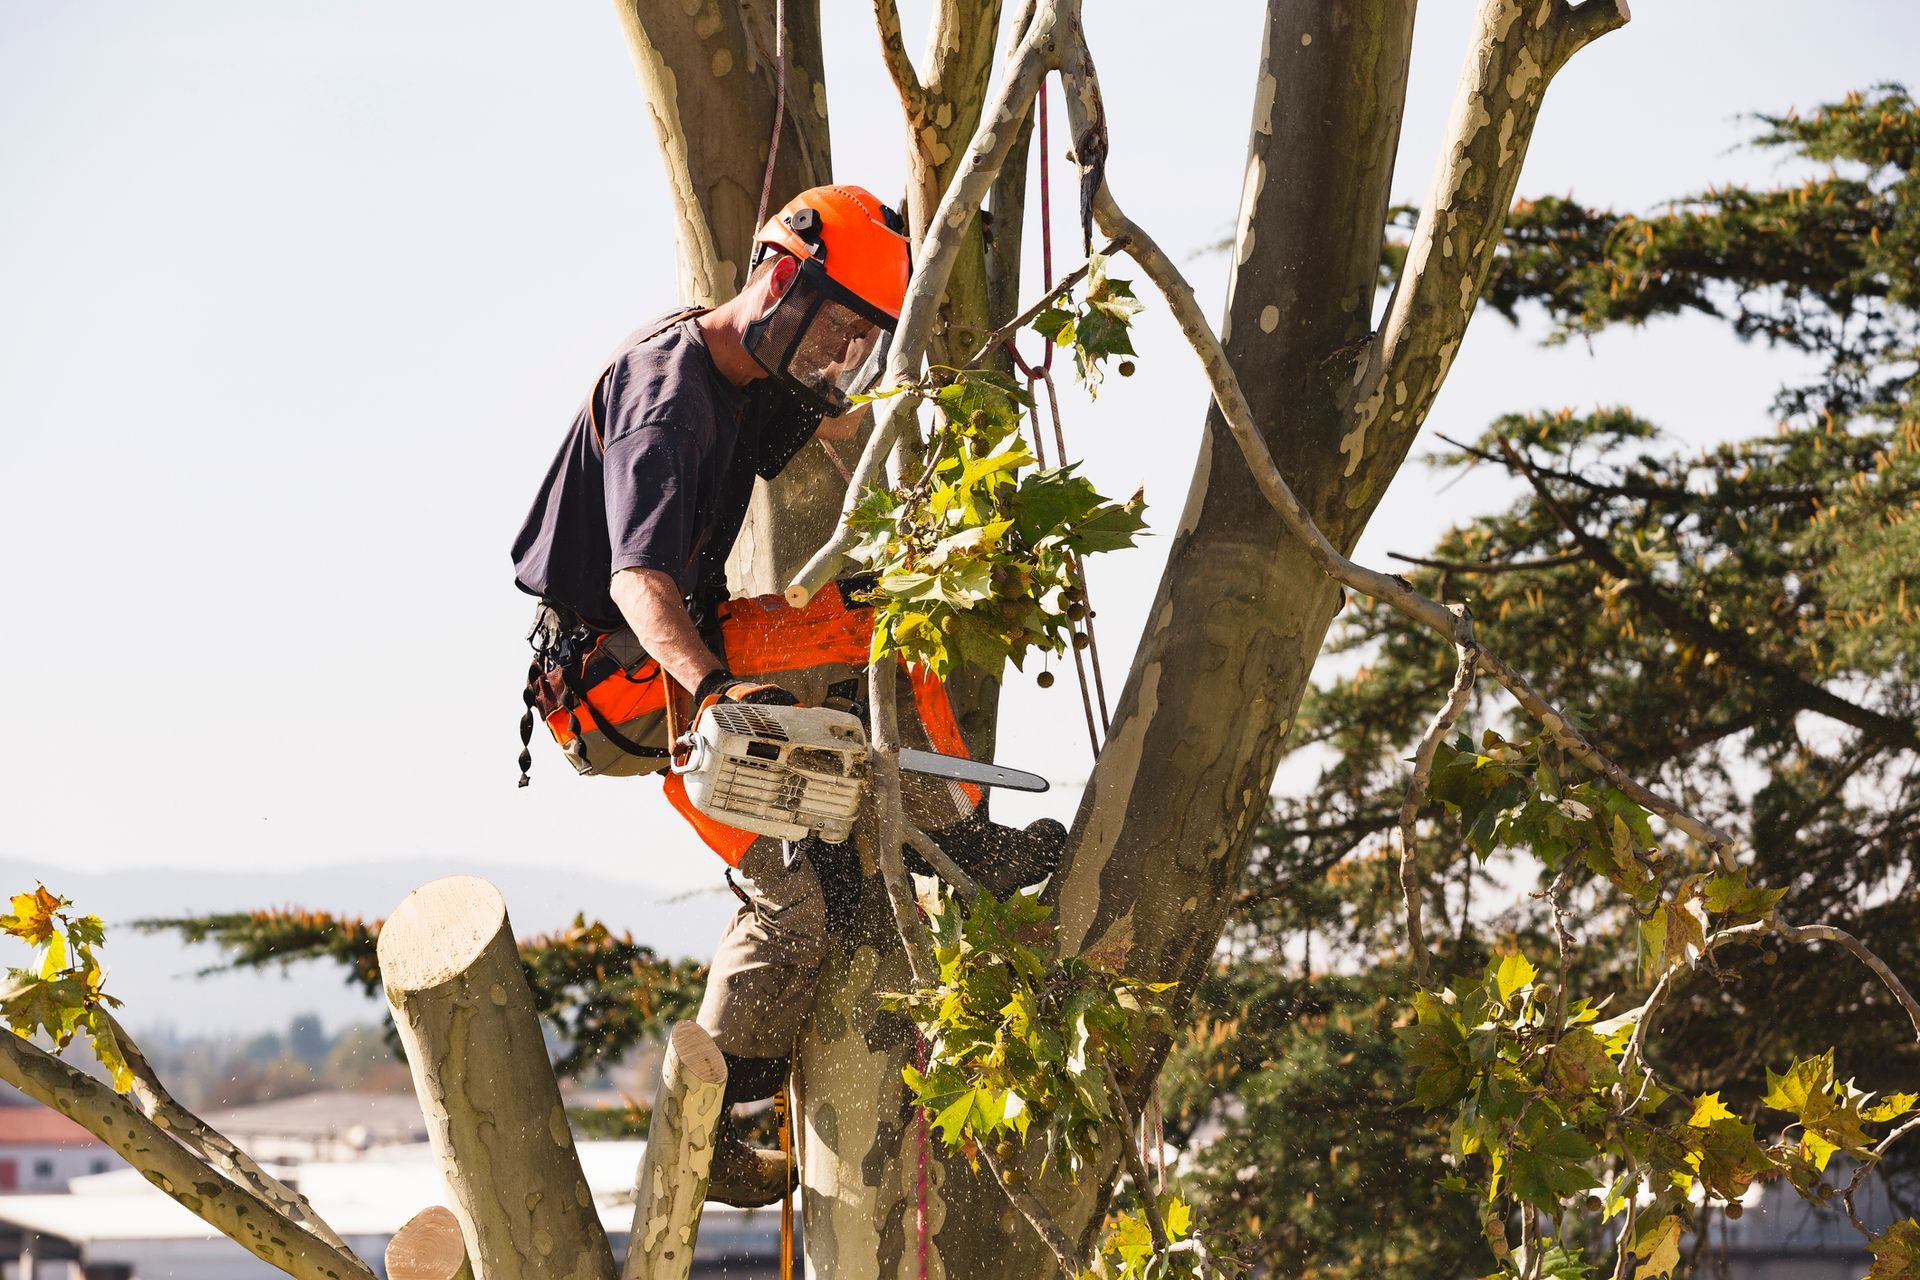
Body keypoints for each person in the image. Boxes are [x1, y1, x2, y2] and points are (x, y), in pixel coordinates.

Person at [510, 184, 1065, 1206]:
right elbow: (639, 579)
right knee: (855, 649)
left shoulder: (756, 371)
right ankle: (953, 839)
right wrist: (720, 688)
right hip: (624, 678)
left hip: (671, 662)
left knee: (808, 887)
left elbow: (841, 425)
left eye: (861, 337)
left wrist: (950, 506)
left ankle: (722, 1114)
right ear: (779, 280)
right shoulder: (667, 396)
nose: (839, 353)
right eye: (837, 328)